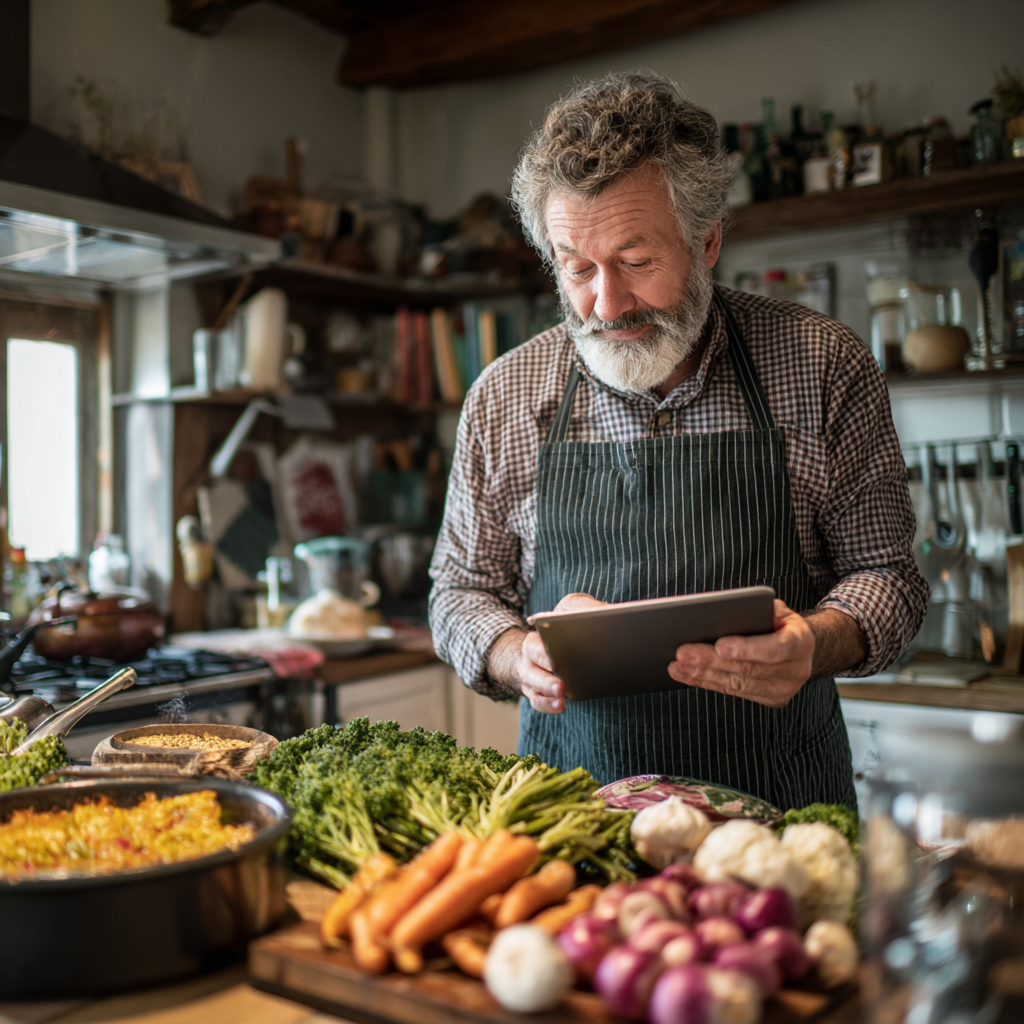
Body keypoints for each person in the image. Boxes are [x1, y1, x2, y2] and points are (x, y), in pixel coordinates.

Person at [428, 72, 927, 808]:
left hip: (783, 816)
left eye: (635, 262)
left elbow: (890, 577)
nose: (606, 303)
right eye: (577, 268)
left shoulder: (822, 364)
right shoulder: (505, 395)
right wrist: (516, 655)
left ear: (708, 241)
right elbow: (459, 590)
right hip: (574, 816)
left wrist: (812, 644)